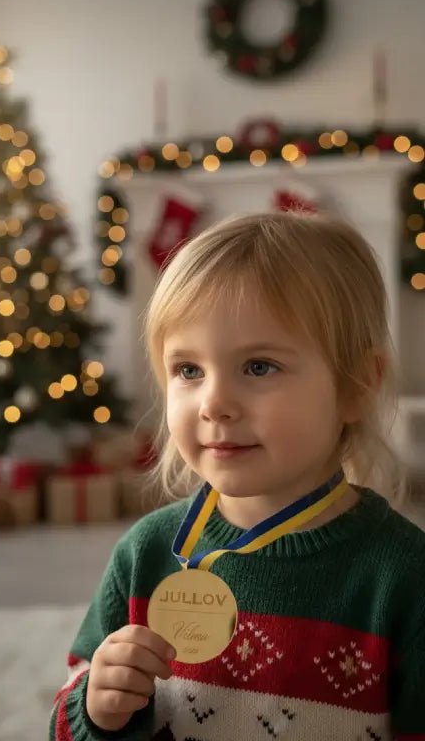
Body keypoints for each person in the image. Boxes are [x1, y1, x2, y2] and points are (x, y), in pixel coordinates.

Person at [49, 211, 425, 741]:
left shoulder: (403, 577)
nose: (215, 403)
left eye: (258, 367)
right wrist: (97, 708)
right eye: (188, 370)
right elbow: (69, 715)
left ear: (356, 386)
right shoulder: (146, 553)